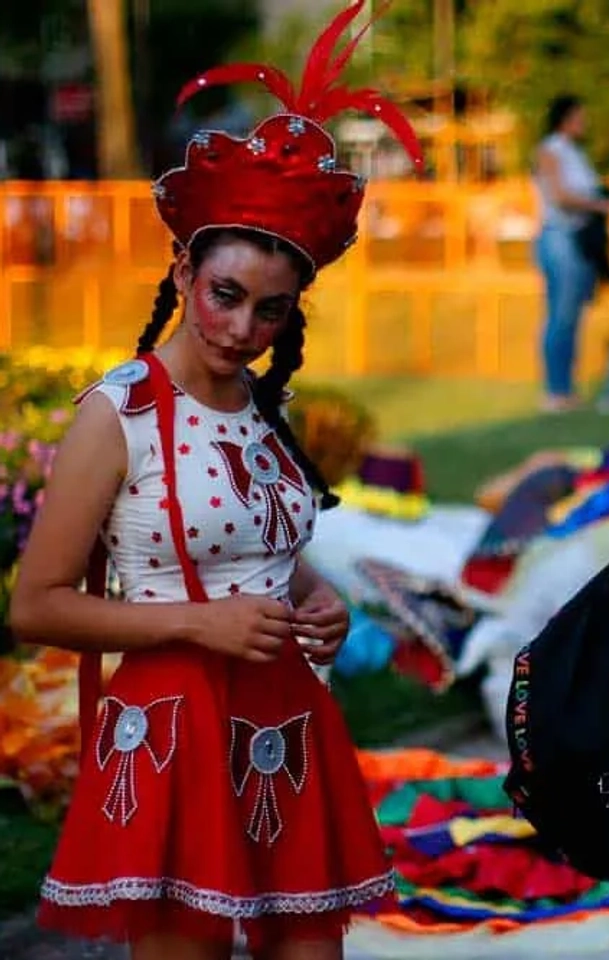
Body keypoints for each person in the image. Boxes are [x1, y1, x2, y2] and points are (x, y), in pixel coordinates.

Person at [5, 4, 421, 955]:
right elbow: (38, 606)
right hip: (174, 733)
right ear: (185, 267)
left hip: (286, 720)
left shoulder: (262, 417)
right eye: (226, 295)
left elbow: (269, 562)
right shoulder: (121, 413)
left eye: (272, 312)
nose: (242, 329)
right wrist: (201, 622)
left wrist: (318, 605)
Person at [534, 94, 609, 412]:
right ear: (566, 117)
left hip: (578, 239)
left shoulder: (576, 153)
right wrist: (599, 204)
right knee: (560, 317)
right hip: (560, 237)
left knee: (572, 316)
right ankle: (554, 390)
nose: (584, 122)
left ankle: (567, 388)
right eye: (580, 116)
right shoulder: (551, 150)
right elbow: (561, 196)